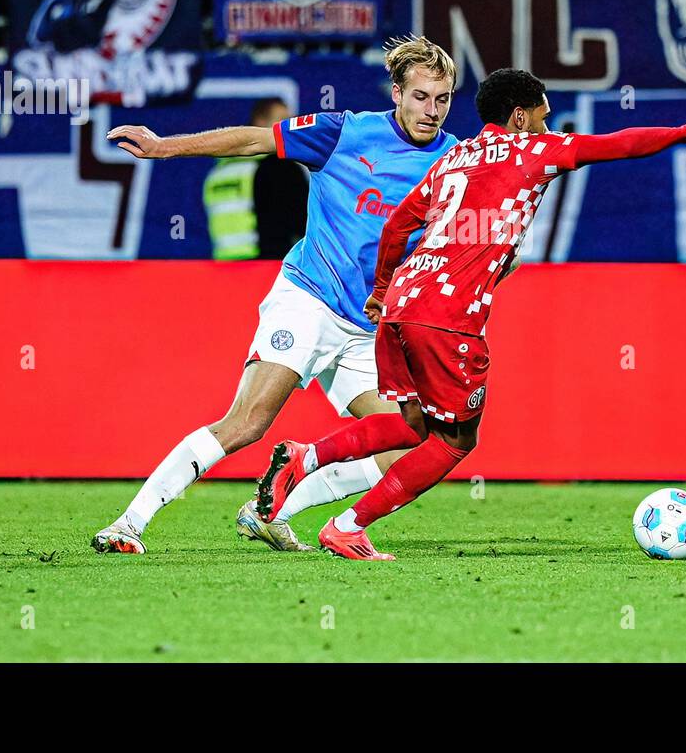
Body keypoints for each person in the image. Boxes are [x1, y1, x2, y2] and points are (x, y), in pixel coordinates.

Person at [254, 69, 686, 560]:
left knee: (410, 423)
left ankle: (304, 456)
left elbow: (398, 223)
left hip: (401, 306)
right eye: (544, 120)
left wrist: (381, 290)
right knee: (456, 441)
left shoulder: (453, 157)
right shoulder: (533, 151)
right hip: (448, 318)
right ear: (520, 117)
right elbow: (619, 144)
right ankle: (347, 527)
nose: (549, 131)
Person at [91, 37, 461, 554]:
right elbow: (252, 141)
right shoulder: (344, 133)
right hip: (309, 299)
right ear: (397, 92)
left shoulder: (455, 162)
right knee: (248, 422)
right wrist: (163, 146)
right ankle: (128, 523)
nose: (432, 110)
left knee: (409, 437)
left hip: (368, 326)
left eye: (442, 99)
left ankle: (270, 511)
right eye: (421, 96)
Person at [202, 97, 308, 261]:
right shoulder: (279, 168)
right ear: (260, 122)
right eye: (283, 122)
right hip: (266, 267)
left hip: (223, 265)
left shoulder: (218, 172)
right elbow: (303, 223)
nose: (290, 130)